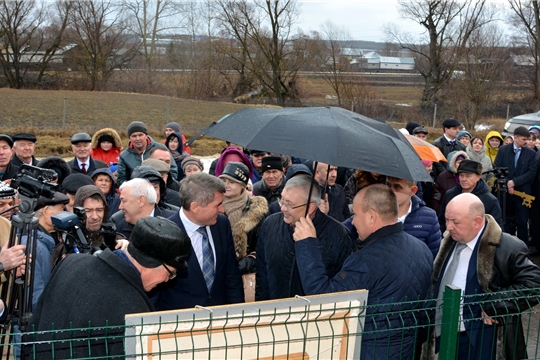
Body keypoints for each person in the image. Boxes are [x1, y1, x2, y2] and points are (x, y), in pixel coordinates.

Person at [292, 184, 433, 360]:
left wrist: (307, 244)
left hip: (369, 351)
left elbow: (323, 298)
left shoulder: (367, 260)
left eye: (356, 215)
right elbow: (425, 313)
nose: (352, 221)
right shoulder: (422, 249)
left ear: (372, 216)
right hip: (407, 350)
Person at [23, 216, 191, 359]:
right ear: (150, 263)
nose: (167, 280)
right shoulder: (134, 309)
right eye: (171, 273)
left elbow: (32, 329)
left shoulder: (71, 262)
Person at [430, 193, 540, 359]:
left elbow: (534, 285)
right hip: (443, 335)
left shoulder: (507, 247)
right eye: (447, 220)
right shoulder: (448, 241)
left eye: (455, 222)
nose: (449, 226)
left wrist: (496, 303)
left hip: (483, 339)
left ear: (477, 222)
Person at [151, 173, 244, 309]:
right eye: (217, 205)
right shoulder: (163, 233)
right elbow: (155, 288)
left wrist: (237, 313)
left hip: (219, 317)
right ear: (195, 207)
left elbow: (231, 274)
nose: (222, 209)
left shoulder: (222, 224)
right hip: (180, 321)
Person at [256, 174, 354, 301]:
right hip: (275, 313)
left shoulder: (340, 236)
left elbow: (342, 290)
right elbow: (262, 278)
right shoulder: (270, 224)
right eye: (282, 200)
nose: (282, 208)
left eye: (289, 204)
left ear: (311, 207)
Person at [218, 162, 268, 274]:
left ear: (243, 185)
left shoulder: (257, 210)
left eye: (232, 182)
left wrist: (238, 267)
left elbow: (262, 248)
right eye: (224, 181)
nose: (226, 185)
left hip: (244, 272)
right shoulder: (213, 206)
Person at [494, 126, 537, 243]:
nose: (526, 142)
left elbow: (531, 173)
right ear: (515, 137)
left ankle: (523, 249)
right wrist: (508, 182)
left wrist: (514, 182)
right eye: (524, 139)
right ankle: (507, 247)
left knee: (522, 222)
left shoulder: (531, 154)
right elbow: (497, 168)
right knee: (506, 222)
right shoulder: (503, 150)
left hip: (522, 193)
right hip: (505, 193)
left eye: (528, 139)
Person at [438, 160, 503, 233]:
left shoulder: (489, 200)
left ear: (478, 177)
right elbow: (442, 221)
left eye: (468, 176)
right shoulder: (450, 195)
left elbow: (495, 229)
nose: (463, 179)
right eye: (461, 175)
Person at [386, 177, 441, 258]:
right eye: (388, 185)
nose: (390, 191)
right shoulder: (377, 214)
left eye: (397, 187)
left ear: (413, 191)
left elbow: (433, 255)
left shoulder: (429, 217)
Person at [117, 121, 178, 186]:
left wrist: (165, 185)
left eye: (140, 135)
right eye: (134, 136)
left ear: (146, 135)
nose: (138, 138)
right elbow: (122, 179)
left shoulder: (160, 148)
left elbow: (172, 169)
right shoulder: (124, 156)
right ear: (129, 138)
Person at [111, 178, 175, 239]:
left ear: (141, 201)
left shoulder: (173, 222)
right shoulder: (118, 225)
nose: (120, 207)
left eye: (124, 201)